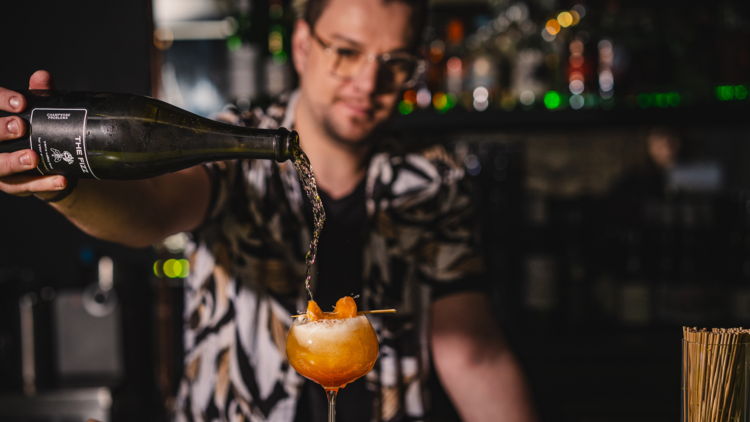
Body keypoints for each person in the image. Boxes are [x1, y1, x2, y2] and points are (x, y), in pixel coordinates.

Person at [0, 0, 537, 420]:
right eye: (345, 51)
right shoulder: (238, 143)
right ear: (303, 44)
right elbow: (153, 211)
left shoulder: (431, 179)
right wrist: (65, 188)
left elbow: (473, 350)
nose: (368, 83)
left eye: (393, 63)